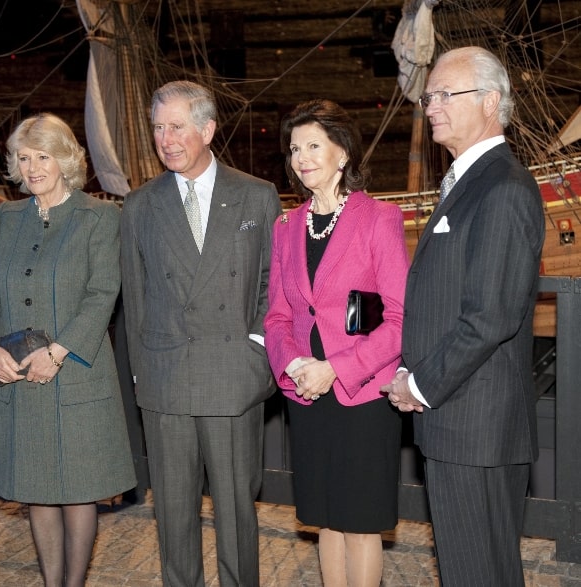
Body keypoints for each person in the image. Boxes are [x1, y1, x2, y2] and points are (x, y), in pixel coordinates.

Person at [381, 46, 545, 586]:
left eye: (445, 94)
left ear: (491, 101)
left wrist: (419, 385)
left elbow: (490, 316)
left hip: (476, 424)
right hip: (462, 422)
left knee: (478, 572)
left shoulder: (501, 187)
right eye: (429, 96)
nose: (430, 105)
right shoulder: (470, 182)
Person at [120, 80, 281, 586]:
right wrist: (144, 378)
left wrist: (256, 354)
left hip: (232, 378)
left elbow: (272, 286)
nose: (165, 139)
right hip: (166, 380)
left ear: (208, 129)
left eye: (177, 127)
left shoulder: (256, 196)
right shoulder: (140, 205)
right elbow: (135, 297)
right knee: (173, 516)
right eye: (158, 128)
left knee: (236, 513)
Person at [0, 113, 137, 587]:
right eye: (23, 158)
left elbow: (103, 292)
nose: (32, 167)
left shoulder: (99, 216)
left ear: (64, 158)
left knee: (77, 491)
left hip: (75, 374)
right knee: (36, 490)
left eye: (42, 156)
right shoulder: (7, 217)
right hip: (18, 378)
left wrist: (59, 351)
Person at [264, 99, 409, 586]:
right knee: (324, 516)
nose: (301, 157)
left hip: (361, 391)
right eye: (294, 148)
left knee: (360, 522)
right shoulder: (285, 227)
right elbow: (278, 314)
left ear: (342, 152)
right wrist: (294, 368)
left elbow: (400, 319)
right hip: (307, 391)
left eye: (313, 145)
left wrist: (336, 368)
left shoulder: (379, 218)